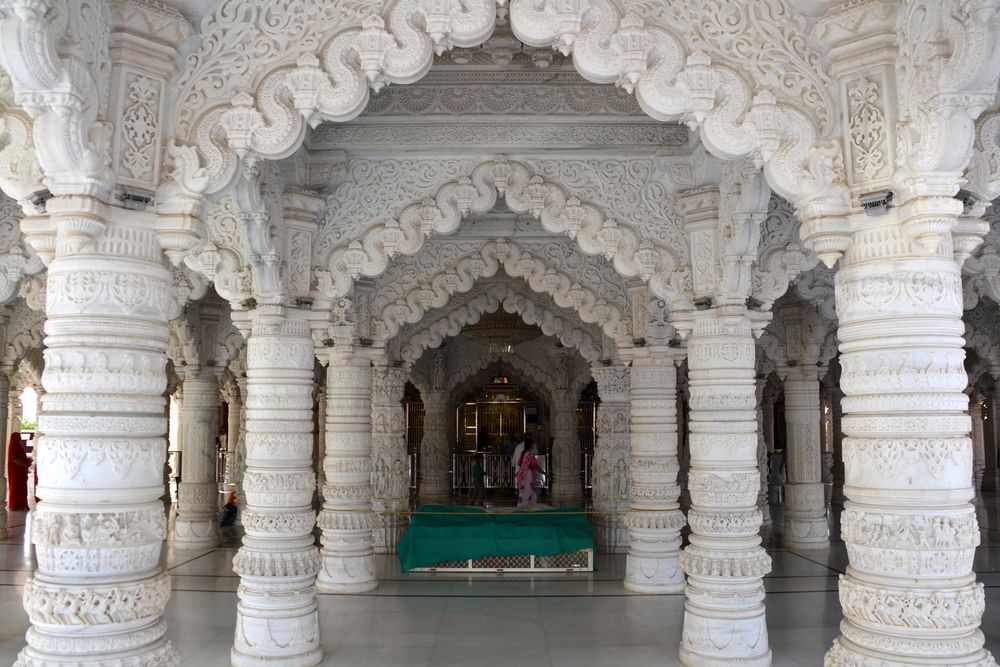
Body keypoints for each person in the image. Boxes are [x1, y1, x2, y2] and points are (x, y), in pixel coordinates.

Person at [7, 432, 30, 511]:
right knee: (16, 487)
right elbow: (15, 460)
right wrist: (25, 465)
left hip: (21, 471)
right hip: (15, 471)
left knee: (22, 487)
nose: (20, 438)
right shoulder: (13, 446)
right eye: (19, 436)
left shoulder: (18, 446)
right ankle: (16, 505)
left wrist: (27, 462)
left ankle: (21, 504)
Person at [516, 438, 541, 509]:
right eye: (533, 445)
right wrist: (545, 473)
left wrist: (519, 471)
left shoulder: (523, 453)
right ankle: (525, 506)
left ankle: (524, 505)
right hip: (528, 475)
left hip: (522, 474)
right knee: (528, 491)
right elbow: (535, 465)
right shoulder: (530, 455)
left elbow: (519, 464)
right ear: (531, 446)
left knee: (526, 491)